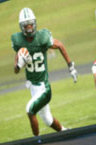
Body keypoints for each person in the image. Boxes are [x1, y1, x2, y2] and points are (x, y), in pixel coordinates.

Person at [12, 6, 76, 137]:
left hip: (43, 87)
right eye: (26, 25)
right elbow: (16, 70)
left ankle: (37, 142)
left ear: (34, 23)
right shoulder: (18, 41)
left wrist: (71, 66)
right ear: (21, 27)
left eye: (31, 24)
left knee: (30, 110)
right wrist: (19, 65)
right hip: (33, 87)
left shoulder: (42, 37)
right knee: (48, 120)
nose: (29, 28)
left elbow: (60, 45)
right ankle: (66, 132)